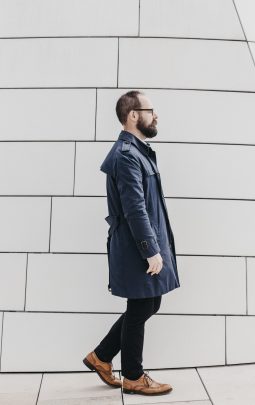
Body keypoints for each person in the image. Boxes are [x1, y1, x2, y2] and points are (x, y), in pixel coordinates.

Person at [83, 90, 180, 395]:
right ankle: (134, 377)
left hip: (142, 242)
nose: (156, 116)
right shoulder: (126, 155)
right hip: (136, 246)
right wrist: (150, 250)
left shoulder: (137, 151)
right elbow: (134, 207)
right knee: (141, 305)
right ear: (134, 115)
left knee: (151, 302)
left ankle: (101, 356)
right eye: (151, 110)